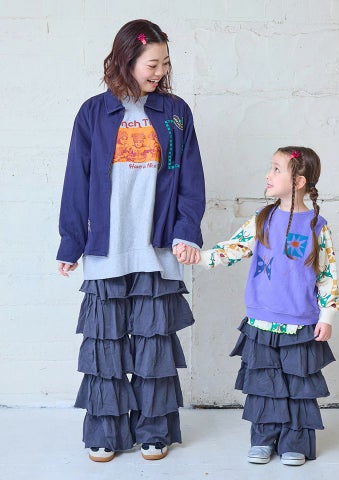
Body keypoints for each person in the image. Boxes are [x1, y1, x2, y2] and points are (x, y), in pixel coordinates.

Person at [57, 19, 205, 463]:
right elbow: (76, 181)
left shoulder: (176, 112)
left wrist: (186, 231)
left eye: (165, 64)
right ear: (127, 60)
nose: (160, 72)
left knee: (153, 347)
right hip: (108, 248)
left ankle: (154, 431)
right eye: (151, 64)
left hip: (156, 247)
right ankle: (105, 432)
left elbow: (191, 180)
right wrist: (70, 243)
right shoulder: (93, 113)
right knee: (105, 349)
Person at [183, 146, 339, 466]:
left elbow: (327, 275)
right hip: (261, 323)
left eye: (276, 169)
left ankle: (295, 442)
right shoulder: (263, 219)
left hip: (300, 325)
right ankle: (264, 439)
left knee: (298, 387)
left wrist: (327, 316)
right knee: (264, 386)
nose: (268, 175)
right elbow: (233, 249)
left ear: (299, 181)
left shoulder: (317, 226)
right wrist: (199, 257)